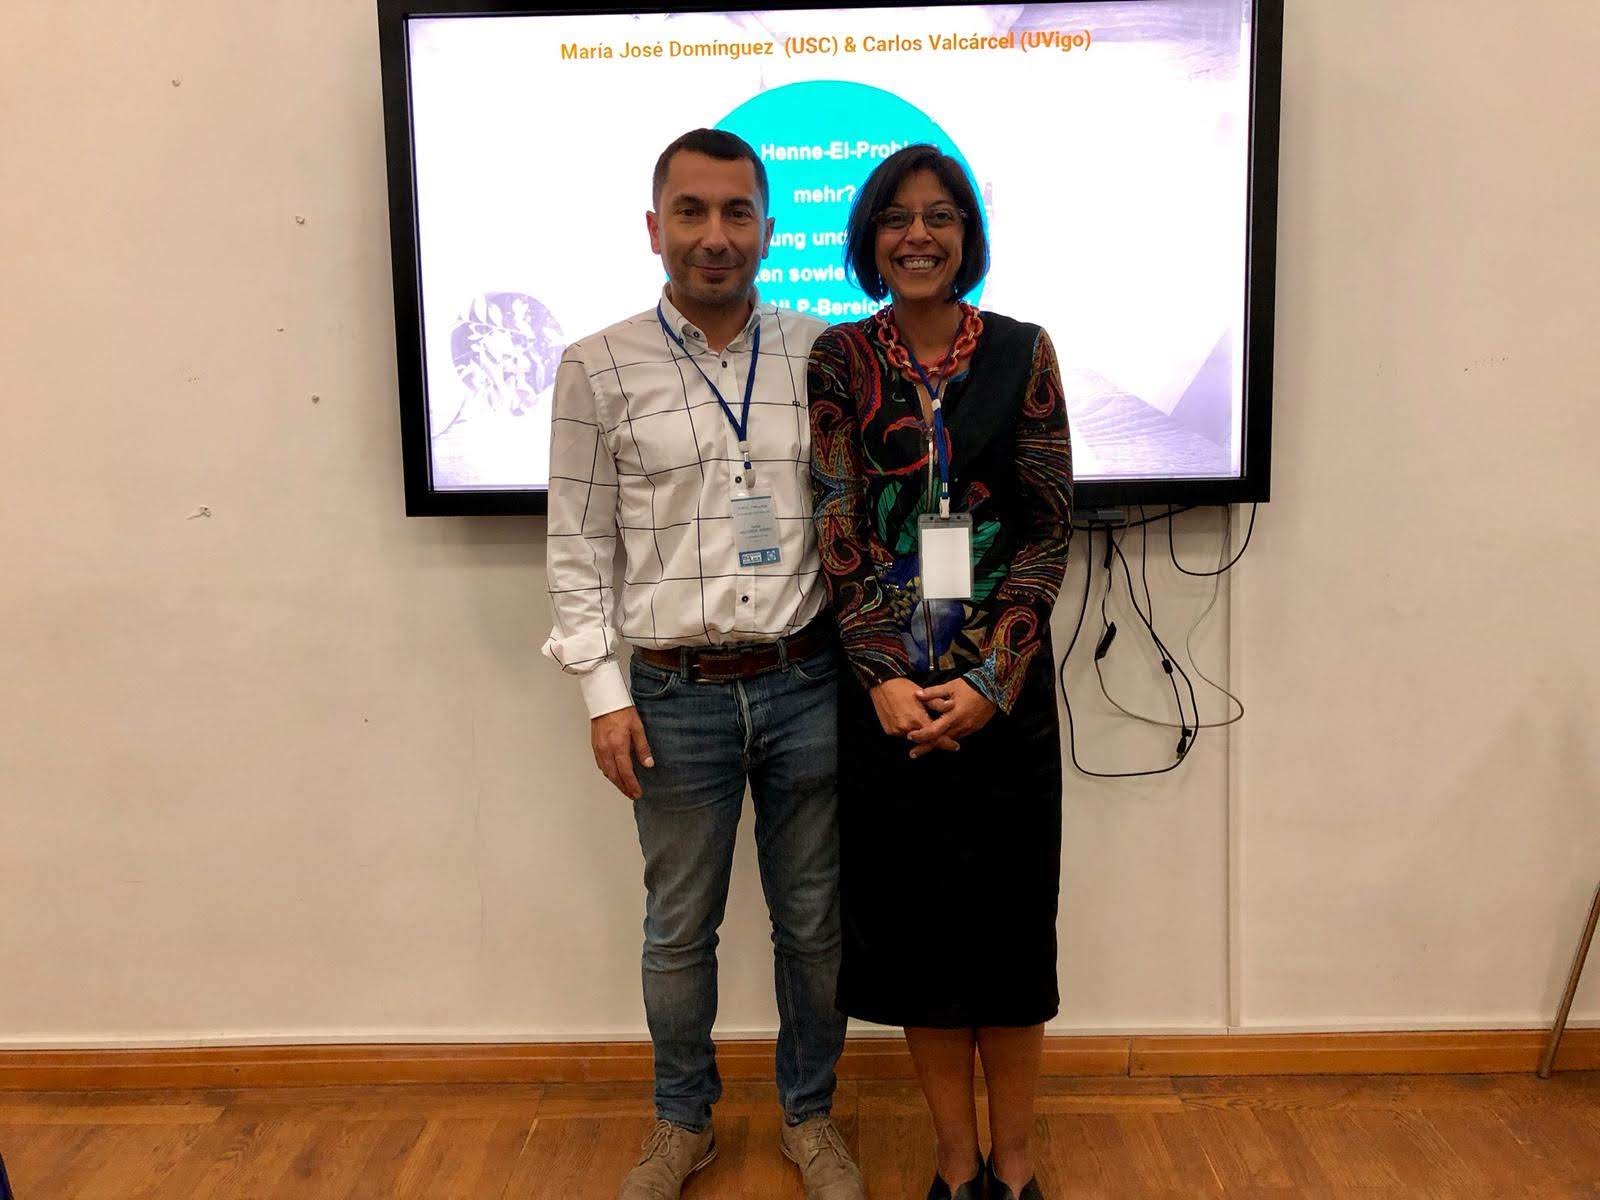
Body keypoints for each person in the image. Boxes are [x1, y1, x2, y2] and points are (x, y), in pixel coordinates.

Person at [542, 129, 866, 1200]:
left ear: (770, 229)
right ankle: (682, 1123)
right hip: (671, 696)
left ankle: (809, 1118)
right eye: (691, 211)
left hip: (807, 684)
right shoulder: (595, 366)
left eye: (736, 212)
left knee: (813, 925)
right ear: (654, 228)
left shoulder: (825, 353)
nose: (714, 235)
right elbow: (577, 549)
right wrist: (602, 696)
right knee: (679, 930)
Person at [807, 145, 1074, 1200]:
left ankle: (1015, 1165)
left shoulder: (1023, 352)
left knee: (1007, 947)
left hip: (1003, 703)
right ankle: (955, 1163)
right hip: (888, 705)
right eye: (896, 218)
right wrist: (882, 676)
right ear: (869, 238)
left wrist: (991, 681)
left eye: (941, 216)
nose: (917, 235)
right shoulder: (840, 358)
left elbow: (1048, 529)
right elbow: (836, 523)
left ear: (968, 234)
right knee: (922, 948)